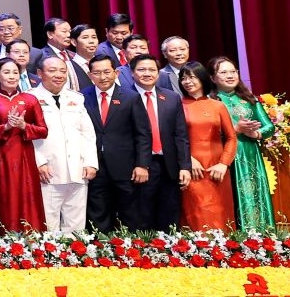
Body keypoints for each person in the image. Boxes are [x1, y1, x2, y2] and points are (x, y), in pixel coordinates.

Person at [30, 54, 98, 234]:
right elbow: (27, 135)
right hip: (48, 171)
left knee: (76, 226)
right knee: (48, 224)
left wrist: (91, 162)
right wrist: (38, 162)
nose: (59, 75)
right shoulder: (30, 98)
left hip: (77, 169)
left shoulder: (76, 98)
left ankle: (75, 252)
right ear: (40, 73)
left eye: (62, 71)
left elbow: (87, 133)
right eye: (52, 71)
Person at [83, 53, 147, 231]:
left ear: (116, 73)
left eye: (107, 72)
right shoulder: (82, 97)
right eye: (97, 73)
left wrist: (142, 164)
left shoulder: (131, 97)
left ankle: (130, 246)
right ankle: (101, 245)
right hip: (95, 166)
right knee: (98, 213)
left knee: (129, 213)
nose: (102, 77)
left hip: (125, 166)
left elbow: (142, 134)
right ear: (90, 75)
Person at [128, 53, 192, 230]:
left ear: (158, 73)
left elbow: (181, 135)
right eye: (141, 70)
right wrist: (139, 164)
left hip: (168, 165)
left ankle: (169, 246)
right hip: (138, 167)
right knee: (143, 216)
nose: (147, 73)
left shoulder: (171, 97)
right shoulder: (125, 97)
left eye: (152, 70)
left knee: (169, 216)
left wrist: (185, 166)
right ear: (132, 72)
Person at [212, 56, 276, 230]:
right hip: (224, 156)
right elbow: (207, 133)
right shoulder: (211, 102)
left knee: (254, 193)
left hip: (250, 154)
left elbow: (269, 127)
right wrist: (236, 129)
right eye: (223, 72)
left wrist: (255, 133)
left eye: (233, 71)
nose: (230, 75)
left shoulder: (249, 99)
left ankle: (262, 236)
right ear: (213, 78)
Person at [0, 57, 46, 232]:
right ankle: (8, 239)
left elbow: (43, 130)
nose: (11, 76)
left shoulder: (30, 99)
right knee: (5, 196)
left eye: (15, 72)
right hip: (0, 157)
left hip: (25, 156)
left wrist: (24, 126)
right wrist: (6, 127)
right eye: (6, 72)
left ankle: (34, 239)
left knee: (28, 196)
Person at [176, 61, 236, 230]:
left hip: (217, 169)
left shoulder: (218, 106)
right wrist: (188, 160)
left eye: (192, 77)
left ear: (202, 78)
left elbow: (231, 138)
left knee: (221, 214)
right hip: (191, 169)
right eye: (183, 78)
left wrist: (223, 164)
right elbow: (173, 138)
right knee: (196, 212)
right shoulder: (177, 105)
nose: (187, 81)